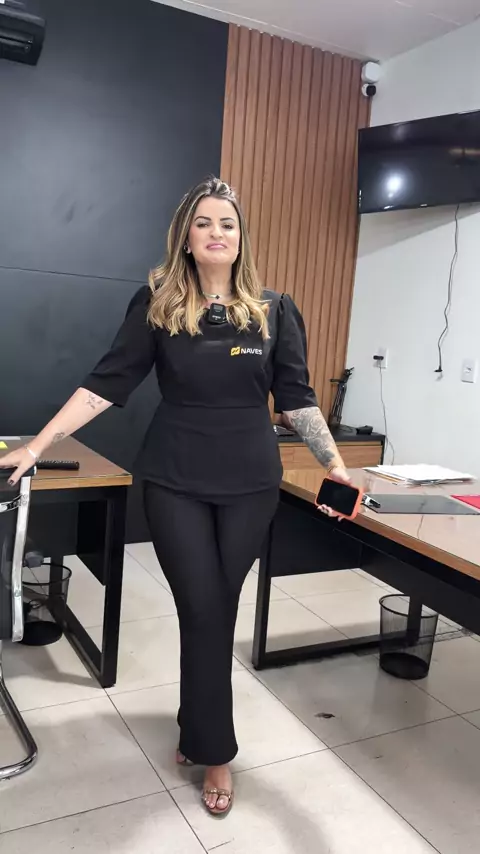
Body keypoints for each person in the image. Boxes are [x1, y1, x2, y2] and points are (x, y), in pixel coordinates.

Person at [1, 177, 350, 817]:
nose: (218, 232)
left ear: (241, 239)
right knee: (203, 605)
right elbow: (107, 383)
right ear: (186, 237)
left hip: (250, 484)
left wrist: (336, 464)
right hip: (174, 479)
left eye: (228, 223)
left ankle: (197, 726)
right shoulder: (158, 304)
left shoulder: (273, 310)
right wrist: (37, 444)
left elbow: (297, 398)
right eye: (205, 222)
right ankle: (217, 752)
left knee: (212, 608)